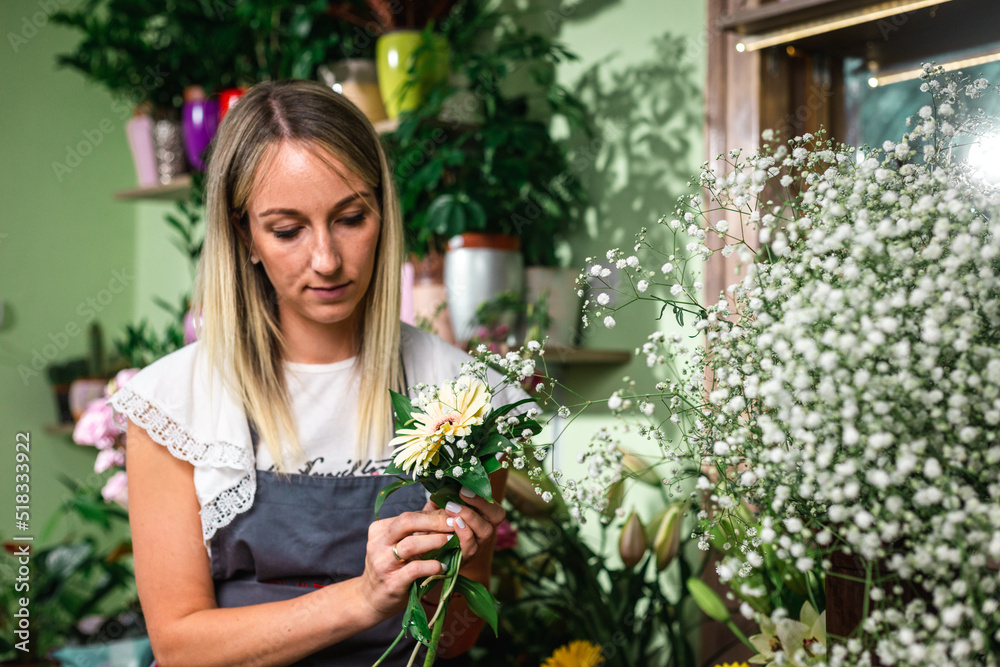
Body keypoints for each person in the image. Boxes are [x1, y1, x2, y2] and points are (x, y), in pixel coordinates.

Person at [112, 79, 525, 666]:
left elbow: (456, 636)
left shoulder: (465, 396)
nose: (327, 259)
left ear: (382, 212)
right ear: (244, 236)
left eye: (351, 218)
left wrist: (456, 574)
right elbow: (180, 647)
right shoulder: (170, 403)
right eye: (287, 230)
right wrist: (363, 598)